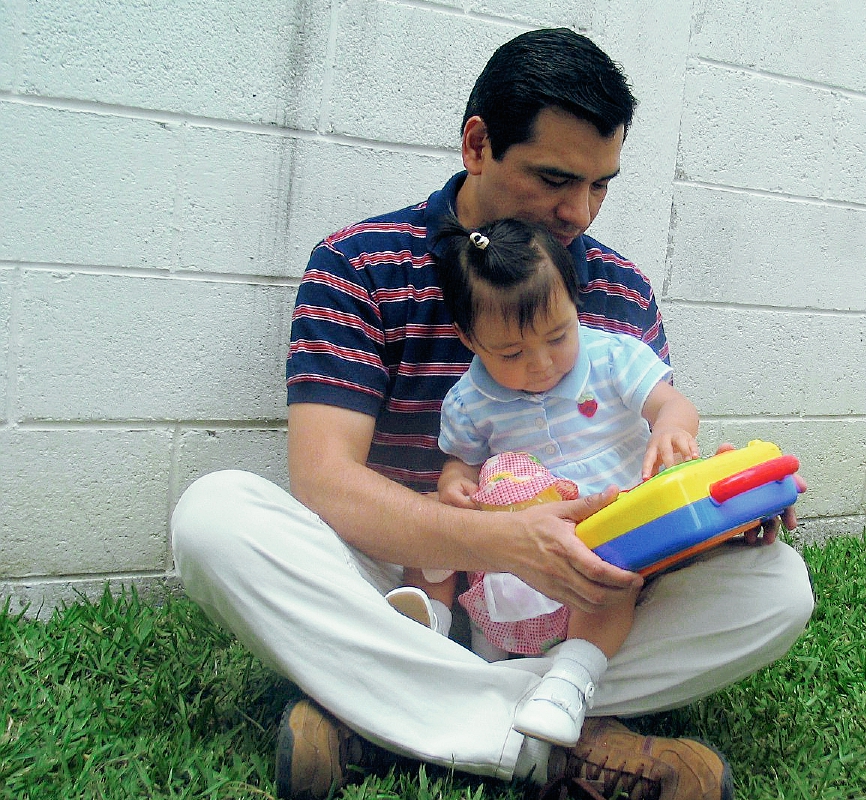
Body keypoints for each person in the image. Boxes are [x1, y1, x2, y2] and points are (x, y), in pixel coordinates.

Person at [170, 26, 815, 800]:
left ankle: (377, 717)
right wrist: (501, 541)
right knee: (213, 518)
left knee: (777, 587)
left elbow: (652, 465)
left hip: (584, 595)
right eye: (554, 177)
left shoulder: (619, 292)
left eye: (601, 183)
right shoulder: (361, 264)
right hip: (412, 585)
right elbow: (326, 483)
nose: (578, 210)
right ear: (477, 143)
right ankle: (559, 742)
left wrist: (717, 514)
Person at [395, 216, 701, 748]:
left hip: (608, 533)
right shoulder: (471, 400)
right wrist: (455, 487)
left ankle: (569, 682)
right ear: (470, 339)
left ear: (574, 305)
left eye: (558, 336)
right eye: (511, 353)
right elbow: (461, 464)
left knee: (608, 570)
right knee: (434, 531)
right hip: (517, 548)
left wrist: (671, 428)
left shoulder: (612, 358)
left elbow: (672, 403)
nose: (540, 364)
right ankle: (431, 639)